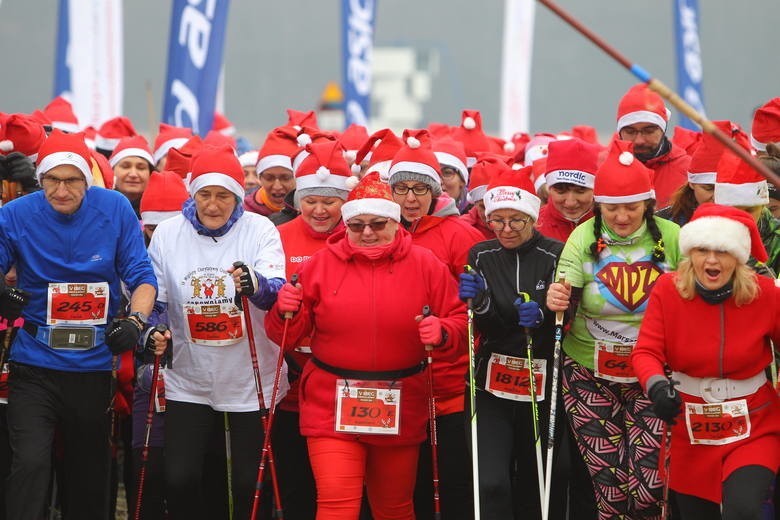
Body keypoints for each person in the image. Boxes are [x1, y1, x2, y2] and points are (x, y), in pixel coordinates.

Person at [265, 172, 466, 520]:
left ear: (395, 221)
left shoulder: (426, 265)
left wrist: (443, 331)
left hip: (401, 399)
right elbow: (285, 335)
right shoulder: (321, 265)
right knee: (336, 504)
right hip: (331, 399)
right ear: (346, 226)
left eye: (377, 223)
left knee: (393, 507)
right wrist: (285, 309)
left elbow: (460, 321)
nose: (368, 233)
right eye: (357, 226)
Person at [0, 130, 165, 519]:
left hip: (91, 365)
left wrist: (136, 321)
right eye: (52, 180)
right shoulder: (14, 214)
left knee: (87, 474)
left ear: (87, 180)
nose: (61, 190)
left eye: (72, 180)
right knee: (31, 465)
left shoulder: (115, 208)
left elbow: (142, 276)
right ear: (39, 181)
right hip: (34, 364)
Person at [147, 144, 288, 519]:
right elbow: (156, 297)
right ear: (192, 194)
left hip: (248, 375)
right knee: (179, 476)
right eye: (204, 195)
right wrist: (153, 328)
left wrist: (254, 284)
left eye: (223, 195)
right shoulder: (168, 232)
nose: (212, 205)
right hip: (190, 375)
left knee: (247, 481)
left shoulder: (260, 229)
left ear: (238, 196)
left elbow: (276, 289)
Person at [546, 140, 681, 520]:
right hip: (589, 371)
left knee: (651, 487)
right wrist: (558, 298)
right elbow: (565, 290)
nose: (621, 217)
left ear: (648, 204)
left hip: (653, 370)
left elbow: (691, 295)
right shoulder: (583, 236)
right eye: (612, 208)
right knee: (611, 487)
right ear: (599, 205)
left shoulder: (671, 237)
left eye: (631, 208)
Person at [632, 203, 780, 519]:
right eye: (701, 250)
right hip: (690, 425)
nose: (711, 260)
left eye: (722, 252)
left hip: (753, 423)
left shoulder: (766, 294)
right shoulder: (667, 289)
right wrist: (657, 386)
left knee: (743, 508)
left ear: (738, 258)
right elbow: (646, 351)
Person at [457, 160, 567, 519]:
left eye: (515, 219)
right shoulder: (482, 254)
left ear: (533, 217)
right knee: (491, 483)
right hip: (493, 380)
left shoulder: (556, 252)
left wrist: (544, 317)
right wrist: (482, 302)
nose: (505, 228)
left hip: (542, 379)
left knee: (537, 482)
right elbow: (487, 325)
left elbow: (568, 316)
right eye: (497, 219)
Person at [387, 129, 483, 519]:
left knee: (453, 480)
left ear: (435, 192)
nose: (411, 199)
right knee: (406, 484)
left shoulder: (460, 234)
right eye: (403, 189)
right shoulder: (374, 230)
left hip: (448, 382)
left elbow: (477, 309)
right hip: (394, 380)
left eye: (420, 189)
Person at [273, 140, 353, 519]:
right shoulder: (278, 236)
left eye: (330, 201)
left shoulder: (360, 236)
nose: (319, 210)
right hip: (289, 383)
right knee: (294, 484)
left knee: (340, 487)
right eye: (310, 200)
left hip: (343, 384)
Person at [615, 83, 691, 208]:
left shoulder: (688, 171)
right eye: (630, 132)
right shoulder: (603, 168)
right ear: (620, 132)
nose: (639, 140)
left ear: (663, 129)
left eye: (649, 131)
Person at [656, 120, 742, 227]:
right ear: (691, 183)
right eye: (709, 188)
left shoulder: (753, 215)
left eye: (724, 189)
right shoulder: (664, 223)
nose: (716, 198)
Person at [535, 138, 599, 243]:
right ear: (549, 188)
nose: (570, 203)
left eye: (580, 191)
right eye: (561, 191)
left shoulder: (612, 224)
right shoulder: (534, 227)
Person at [110, 135, 156, 218]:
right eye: (125, 166)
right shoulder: (100, 208)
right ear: (112, 171)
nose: (133, 174)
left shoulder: (160, 210)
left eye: (141, 168)